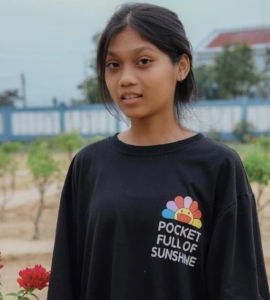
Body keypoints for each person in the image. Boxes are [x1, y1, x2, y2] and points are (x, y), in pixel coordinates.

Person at [47, 3, 270, 299]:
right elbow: (66, 281)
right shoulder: (89, 165)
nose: (125, 78)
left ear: (181, 66)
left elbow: (239, 285)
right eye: (113, 65)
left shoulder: (218, 166)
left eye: (143, 61)